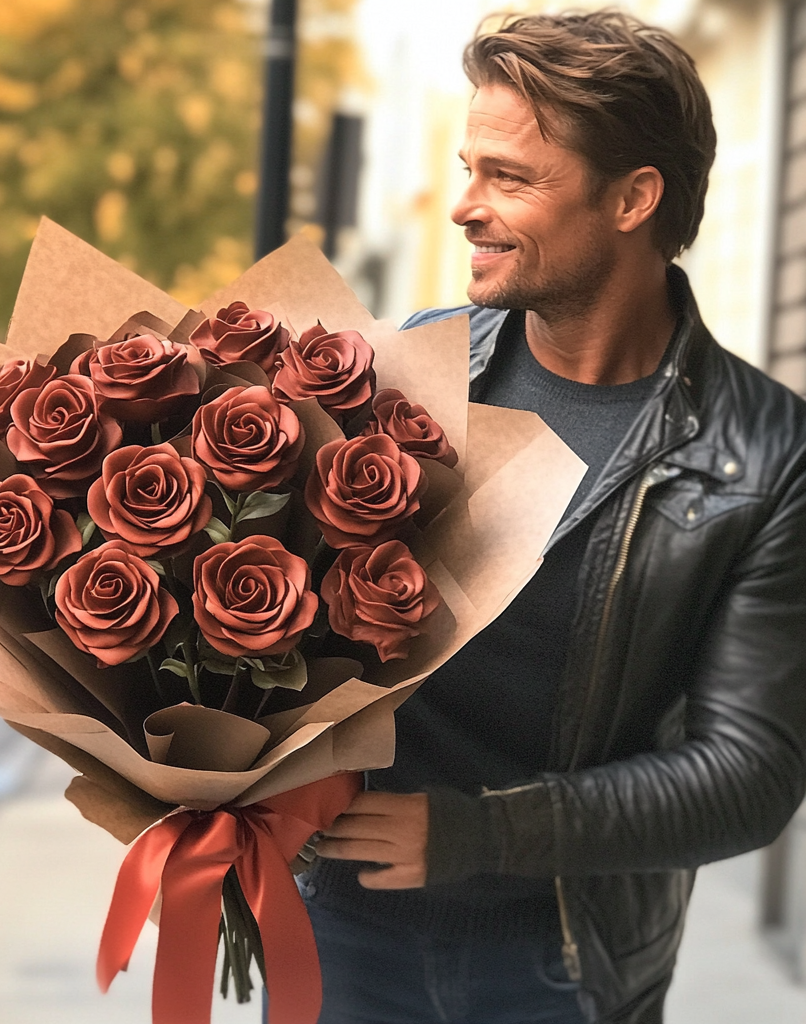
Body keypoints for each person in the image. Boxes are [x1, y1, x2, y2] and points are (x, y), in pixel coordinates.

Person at [305, 11, 806, 1024]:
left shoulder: (764, 454)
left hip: (564, 966)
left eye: (508, 177)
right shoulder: (410, 372)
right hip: (336, 930)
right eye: (465, 167)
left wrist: (475, 834)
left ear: (631, 198)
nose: (462, 207)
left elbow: (750, 774)